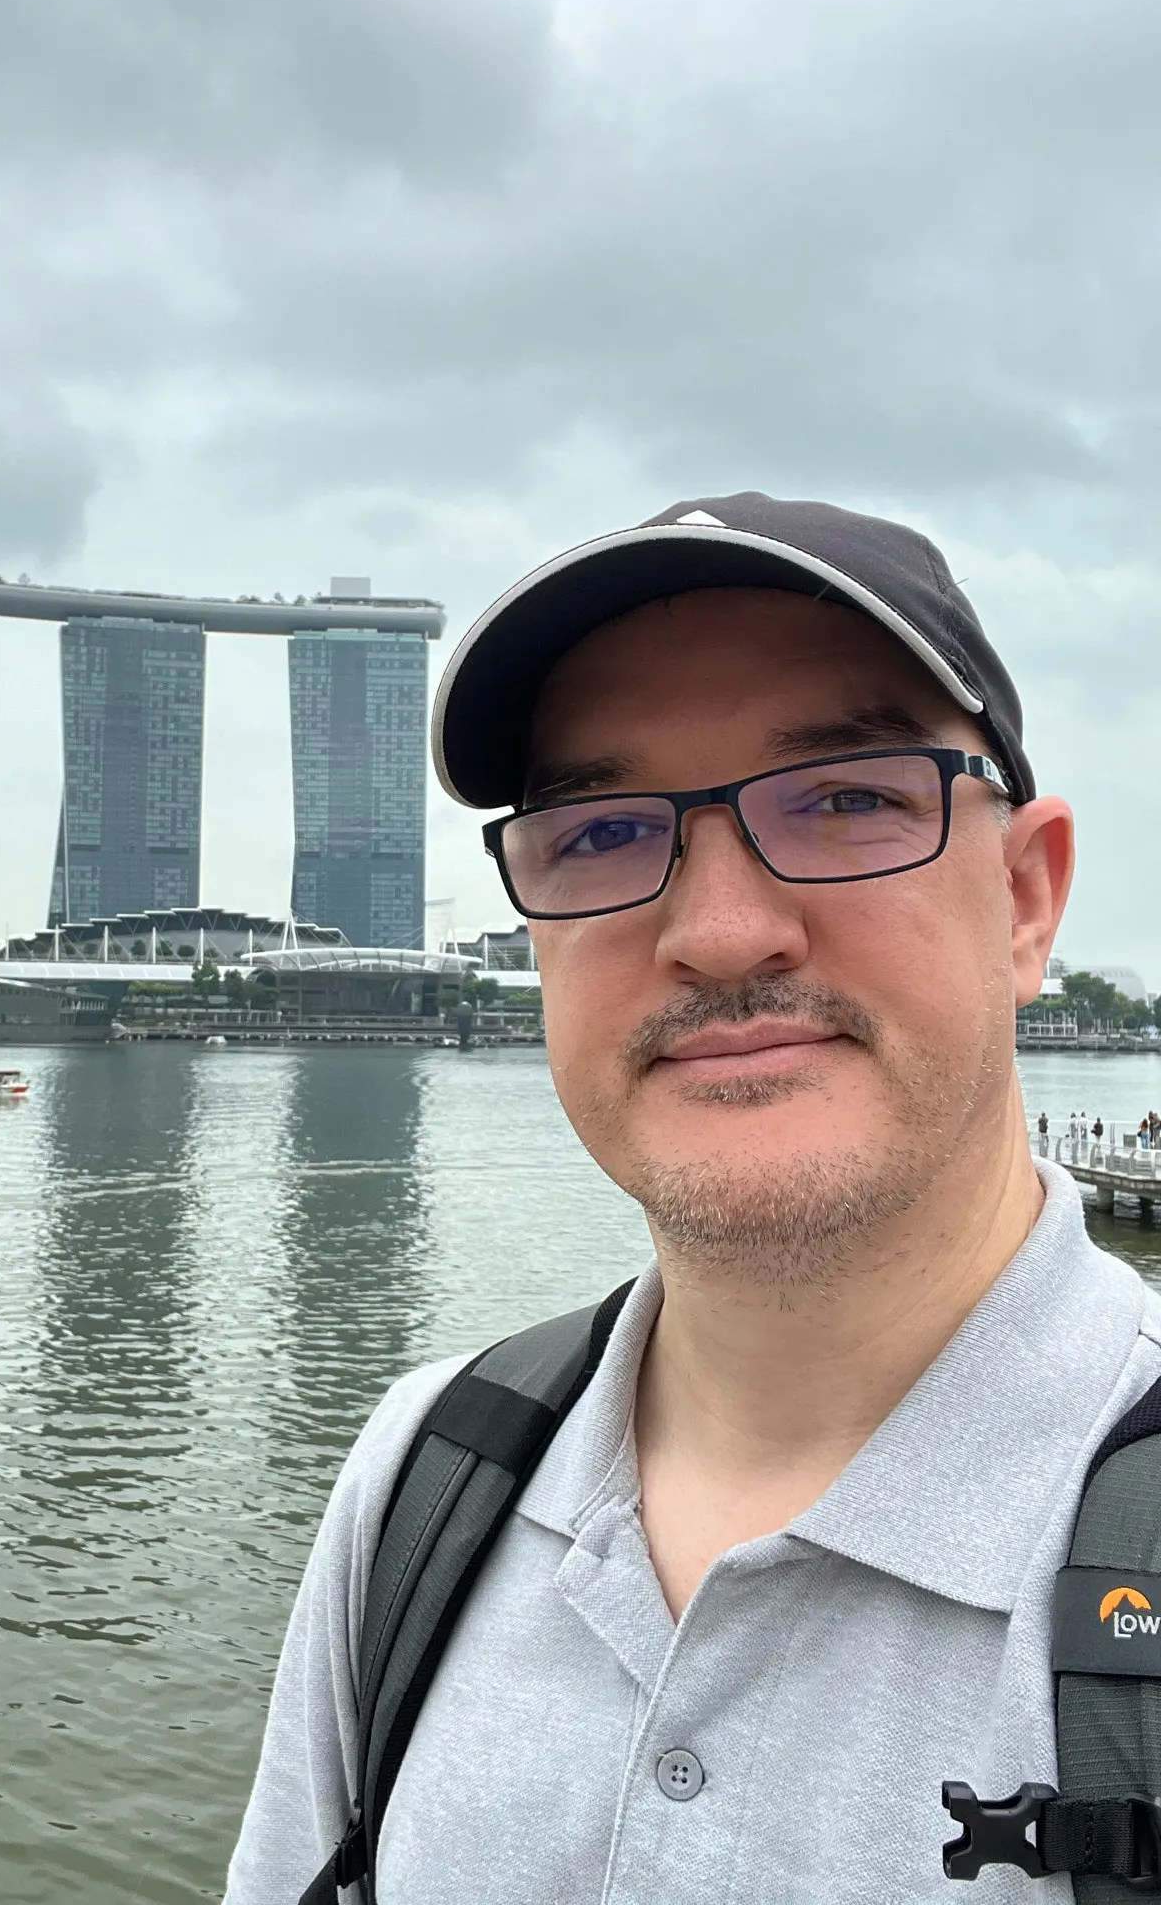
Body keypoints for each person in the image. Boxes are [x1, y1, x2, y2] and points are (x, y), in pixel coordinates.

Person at [226, 491, 1161, 1903]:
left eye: (847, 800)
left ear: (1026, 899)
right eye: (602, 832)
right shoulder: (427, 1480)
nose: (722, 934)